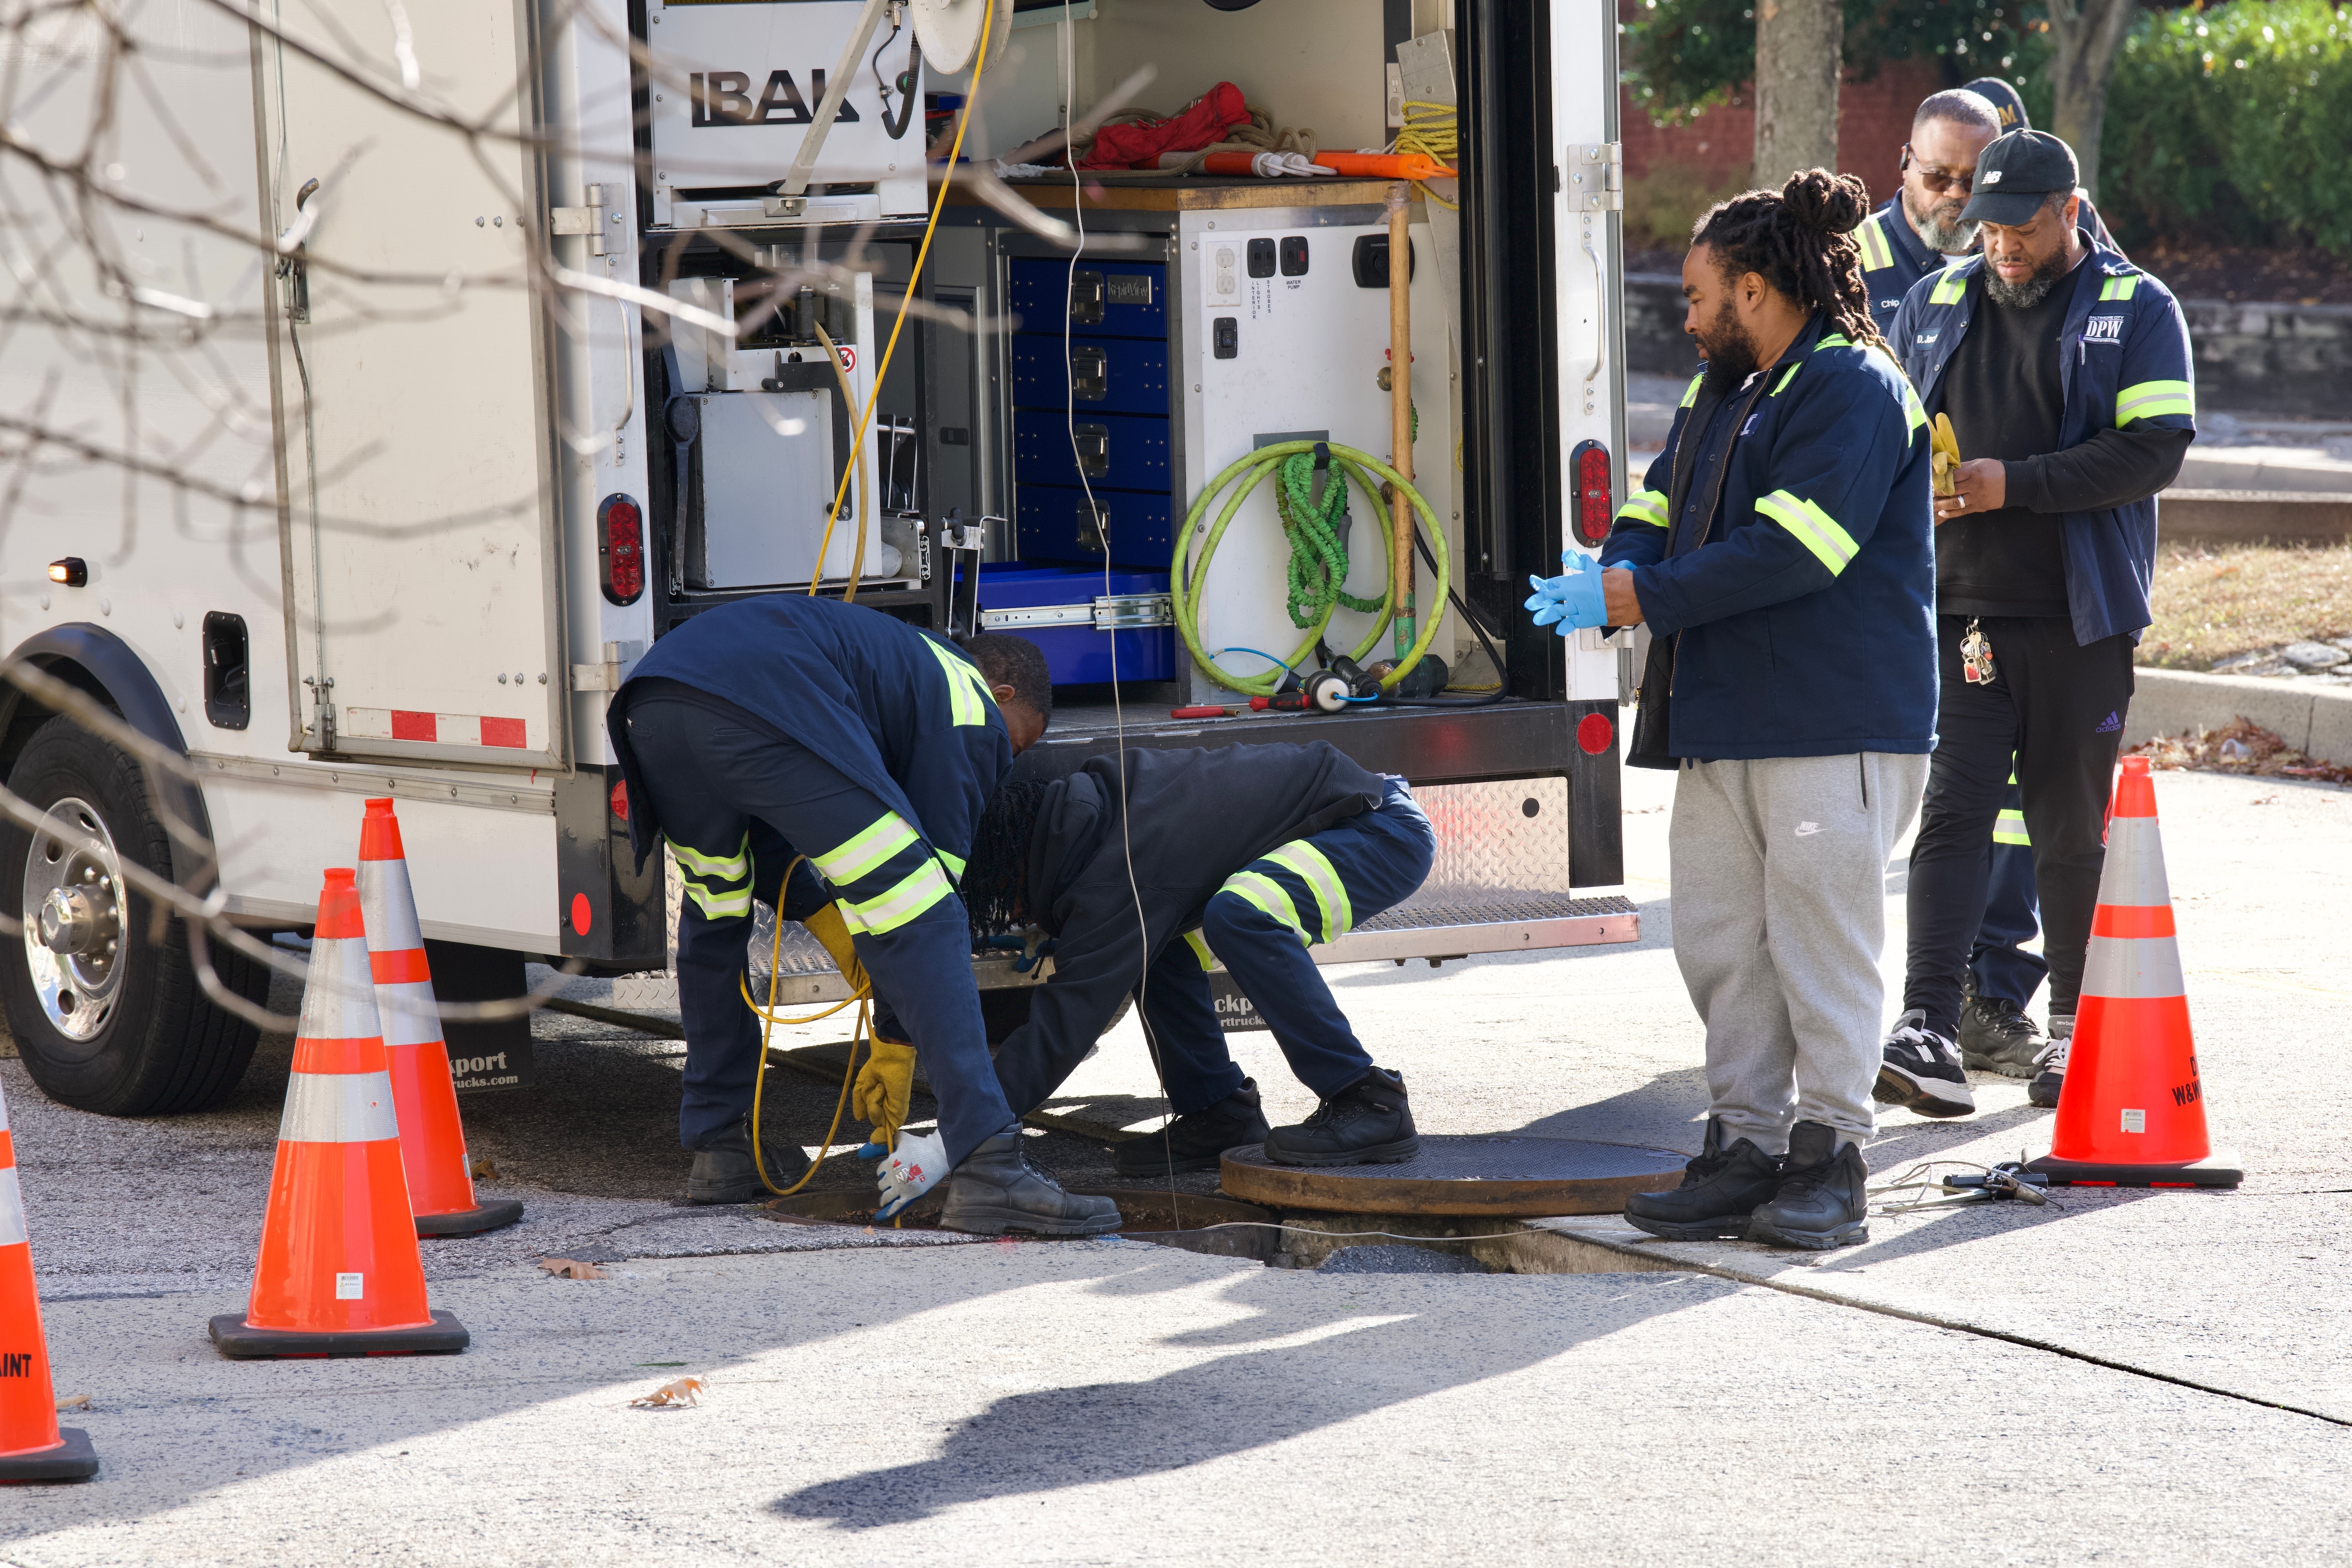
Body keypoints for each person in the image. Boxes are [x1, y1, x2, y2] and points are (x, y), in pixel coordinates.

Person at [1532, 169, 1938, 1250]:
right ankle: (1746, 1147)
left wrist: (1637, 596)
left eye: (1702, 292)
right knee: (1725, 943)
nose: (1689, 311)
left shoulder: (1851, 387)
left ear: (1755, 287)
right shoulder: (1725, 392)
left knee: (1820, 939)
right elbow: (1654, 509)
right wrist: (1617, 567)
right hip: (1725, 717)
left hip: (1830, 718)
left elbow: (1797, 550)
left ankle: (1832, 1154)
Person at [606, 594, 1120, 1236]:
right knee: (930, 914)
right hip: (765, 696)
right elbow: (925, 898)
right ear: (1002, 691)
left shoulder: (900, 666)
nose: (1005, 760)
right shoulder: (969, 699)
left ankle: (719, 1147)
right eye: (1018, 740)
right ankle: (990, 1162)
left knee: (716, 913)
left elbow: (766, 838)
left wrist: (825, 917)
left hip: (656, 703)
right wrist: (896, 1037)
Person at [1876, 129, 2195, 1120]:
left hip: (2078, 619)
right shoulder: (1931, 301)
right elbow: (1880, 427)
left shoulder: (2136, 308)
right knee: (1953, 818)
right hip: (1959, 614)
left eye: (2020, 228)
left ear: (2069, 209)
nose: (2002, 248)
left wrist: (2010, 484)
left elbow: (2151, 450)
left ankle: (2071, 1031)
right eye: (1987, 230)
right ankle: (1927, 1025)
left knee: (2067, 832)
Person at [954, 743, 1436, 1177]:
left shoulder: (1117, 874)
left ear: (1013, 868)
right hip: (1347, 814)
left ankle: (1367, 1101)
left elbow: (1065, 1023)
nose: (1012, 918)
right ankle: (1216, 1112)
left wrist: (959, 1130)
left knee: (1239, 916)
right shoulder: (1096, 815)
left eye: (1004, 904)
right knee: (1156, 943)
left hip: (1377, 829)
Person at [1853, 87, 2058, 1080]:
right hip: (1895, 590)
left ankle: (1991, 997)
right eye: (1935, 179)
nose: (1953, 201)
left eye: (1975, 186)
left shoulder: (2044, 254)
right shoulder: (1855, 267)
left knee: (2012, 803)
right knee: (1914, 804)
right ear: (1904, 166)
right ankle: (1870, 1004)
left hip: (2007, 587)